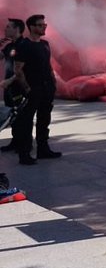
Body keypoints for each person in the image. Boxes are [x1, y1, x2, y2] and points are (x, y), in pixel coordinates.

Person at [13, 14, 59, 165]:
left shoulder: (45, 44)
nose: (44, 27)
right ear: (32, 27)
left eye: (44, 25)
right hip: (33, 88)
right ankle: (24, 154)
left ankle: (43, 149)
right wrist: (27, 88)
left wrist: (53, 81)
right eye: (40, 25)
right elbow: (18, 70)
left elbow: (48, 64)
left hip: (46, 88)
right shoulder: (24, 45)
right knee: (27, 121)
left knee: (44, 119)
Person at [0, 19, 25, 154]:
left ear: (16, 29)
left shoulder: (24, 45)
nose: (5, 29)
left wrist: (10, 80)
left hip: (19, 86)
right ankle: (15, 141)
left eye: (8, 27)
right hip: (9, 87)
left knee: (21, 115)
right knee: (12, 115)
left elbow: (24, 68)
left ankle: (24, 143)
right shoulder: (9, 46)